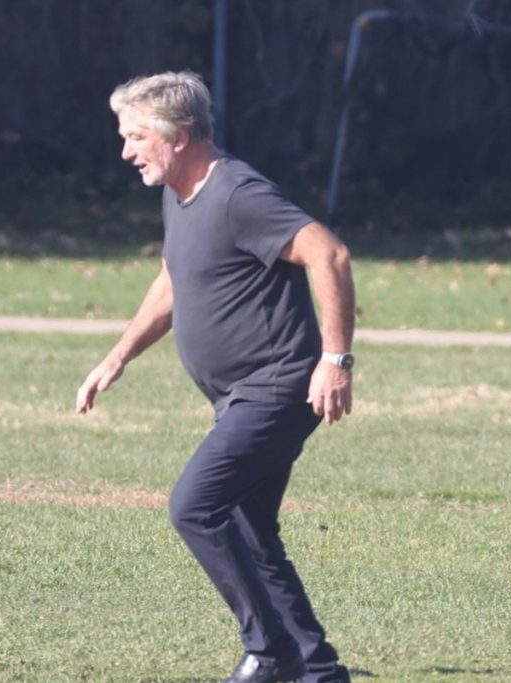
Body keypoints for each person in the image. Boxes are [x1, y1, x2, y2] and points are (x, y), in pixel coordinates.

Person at [76, 71, 356, 683]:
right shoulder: (181, 192)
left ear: (177, 137)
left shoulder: (236, 191)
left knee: (195, 507)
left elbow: (327, 252)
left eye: (136, 136)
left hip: (278, 387)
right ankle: (317, 666)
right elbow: (176, 277)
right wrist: (118, 356)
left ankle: (270, 652)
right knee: (250, 525)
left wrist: (334, 360)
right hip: (236, 395)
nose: (126, 151)